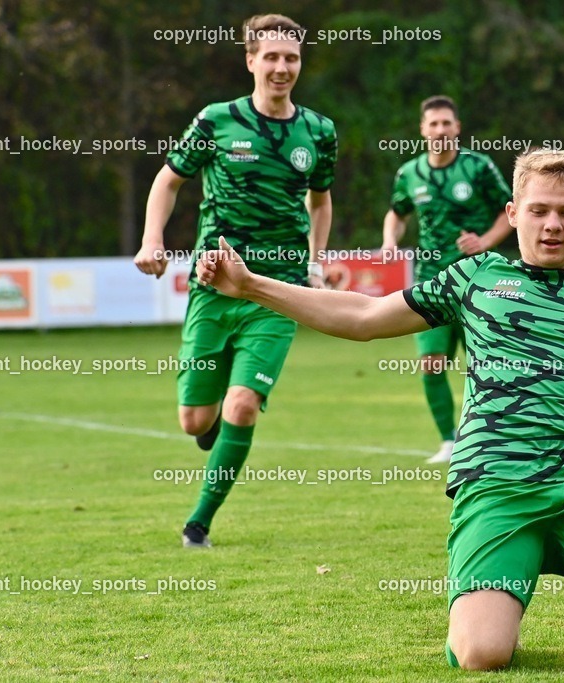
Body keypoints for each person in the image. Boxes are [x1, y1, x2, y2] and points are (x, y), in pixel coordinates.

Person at [196, 149, 564, 670]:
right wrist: (250, 286)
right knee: (482, 655)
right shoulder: (474, 278)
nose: (552, 224)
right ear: (512, 213)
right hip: (495, 490)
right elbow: (362, 316)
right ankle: (495, 601)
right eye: (538, 210)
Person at [133, 13, 337, 548]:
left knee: (242, 404)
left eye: (291, 57)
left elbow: (320, 199)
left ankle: (199, 522)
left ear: (300, 63)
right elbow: (168, 179)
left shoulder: (318, 131)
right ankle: (212, 427)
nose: (281, 67)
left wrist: (316, 261)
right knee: (194, 421)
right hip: (214, 284)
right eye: (270, 56)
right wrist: (153, 238)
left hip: (278, 286)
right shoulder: (216, 120)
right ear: (250, 60)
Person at [381, 95, 513, 464]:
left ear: (457, 128)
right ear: (423, 130)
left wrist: (484, 241)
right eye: (433, 124)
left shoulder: (478, 167)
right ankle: (448, 441)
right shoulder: (409, 173)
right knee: (431, 362)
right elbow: (397, 213)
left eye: (446, 123)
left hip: (478, 279)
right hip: (431, 281)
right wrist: (391, 241)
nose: (440, 130)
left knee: (486, 361)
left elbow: (510, 212)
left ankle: (490, 437)